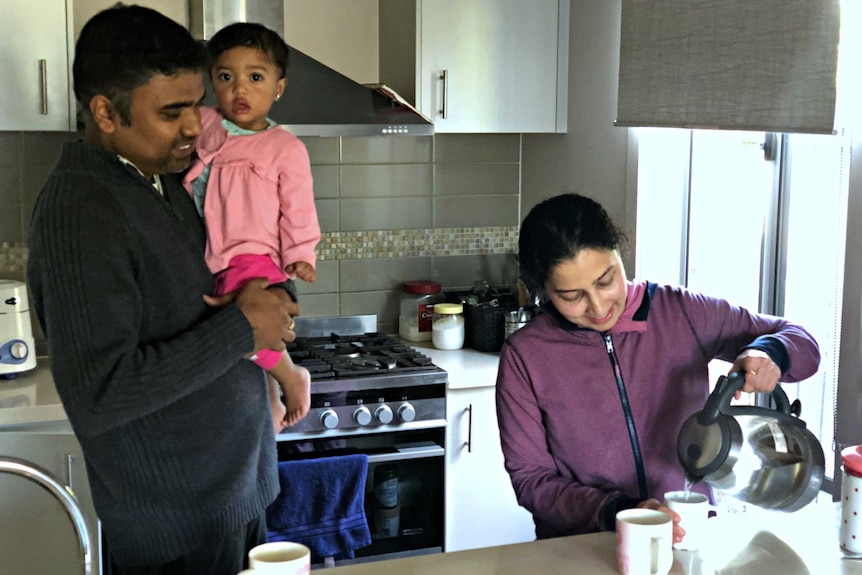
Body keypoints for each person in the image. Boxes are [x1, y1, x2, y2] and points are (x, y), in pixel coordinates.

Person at [26, 5, 299, 574]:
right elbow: (101, 392)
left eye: (196, 106)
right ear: (104, 111)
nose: (196, 127)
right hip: (177, 533)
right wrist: (243, 328)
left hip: (234, 496)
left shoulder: (161, 180)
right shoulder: (81, 209)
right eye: (171, 112)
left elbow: (207, 303)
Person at [496, 193, 820, 546]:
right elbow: (532, 480)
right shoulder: (525, 355)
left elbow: (800, 340)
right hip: (582, 547)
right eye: (572, 296)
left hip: (690, 538)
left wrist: (770, 352)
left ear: (620, 254)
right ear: (543, 290)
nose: (598, 306)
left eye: (606, 280)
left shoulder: (680, 312)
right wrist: (618, 511)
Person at [183, 22, 320, 432]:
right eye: (226, 77)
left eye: (255, 77)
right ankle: (271, 394)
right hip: (215, 257)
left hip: (255, 256)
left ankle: (291, 377)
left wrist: (300, 255)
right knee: (227, 333)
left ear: (278, 87)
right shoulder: (206, 123)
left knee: (240, 326)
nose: (239, 90)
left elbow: (298, 209)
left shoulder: (286, 149)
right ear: (212, 81)